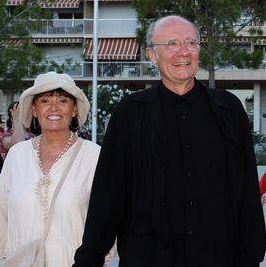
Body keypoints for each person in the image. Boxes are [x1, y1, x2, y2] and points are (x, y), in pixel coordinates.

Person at [73, 15, 266, 267]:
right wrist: (90, 258)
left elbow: (247, 189)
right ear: (153, 55)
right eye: (172, 43)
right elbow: (109, 194)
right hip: (148, 258)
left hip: (218, 257)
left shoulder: (228, 109)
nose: (183, 52)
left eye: (191, 43)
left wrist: (251, 256)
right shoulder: (129, 113)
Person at [0, 71, 104, 267]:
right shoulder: (17, 155)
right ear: (35, 110)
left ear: (74, 110)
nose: (54, 107)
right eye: (45, 101)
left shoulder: (94, 156)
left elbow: (108, 219)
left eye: (63, 100)